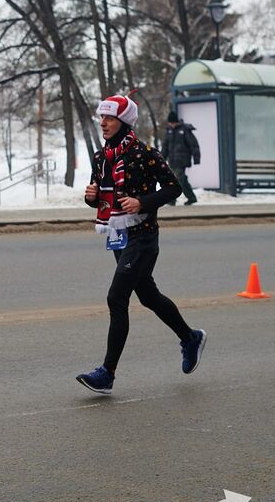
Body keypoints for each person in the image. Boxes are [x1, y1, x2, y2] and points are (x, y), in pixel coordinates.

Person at [76, 95, 206, 395]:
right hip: (118, 236)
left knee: (116, 298)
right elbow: (100, 197)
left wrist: (142, 202)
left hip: (144, 237)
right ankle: (190, 338)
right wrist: (91, 196)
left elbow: (173, 187)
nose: (103, 123)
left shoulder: (145, 154)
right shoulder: (101, 157)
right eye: (102, 117)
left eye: (109, 118)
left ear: (125, 121)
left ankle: (106, 373)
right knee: (148, 296)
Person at [161, 110, 201, 206]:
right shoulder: (169, 131)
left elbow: (194, 145)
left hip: (182, 160)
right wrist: (161, 159)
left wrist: (196, 158)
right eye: (170, 123)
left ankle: (172, 200)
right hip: (172, 160)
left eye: (173, 123)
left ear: (177, 121)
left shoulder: (184, 130)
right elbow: (165, 146)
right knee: (182, 180)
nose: (172, 124)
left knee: (177, 180)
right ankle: (191, 198)